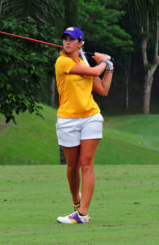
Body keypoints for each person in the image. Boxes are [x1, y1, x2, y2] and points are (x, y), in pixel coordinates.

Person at [55, 27, 114, 224]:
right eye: (65, 39)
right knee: (72, 166)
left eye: (72, 39)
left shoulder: (84, 62)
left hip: (91, 117)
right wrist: (104, 62)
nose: (67, 42)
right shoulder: (62, 62)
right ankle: (76, 201)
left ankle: (81, 214)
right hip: (67, 120)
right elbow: (95, 71)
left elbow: (103, 89)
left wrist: (109, 68)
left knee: (86, 163)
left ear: (81, 43)